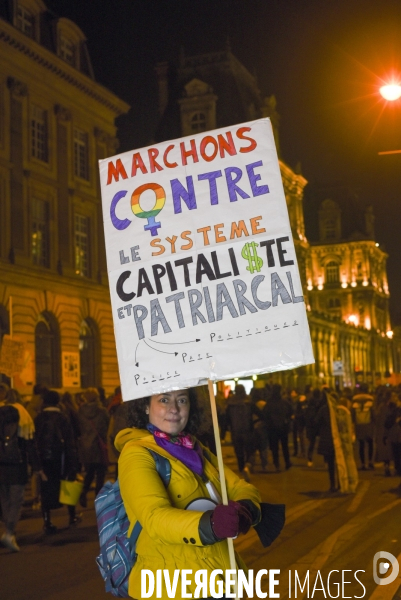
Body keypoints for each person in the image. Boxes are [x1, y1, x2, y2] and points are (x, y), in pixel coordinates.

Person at [115, 387, 262, 600]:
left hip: (219, 579)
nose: (174, 408)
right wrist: (210, 525)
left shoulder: (195, 448)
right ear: (146, 406)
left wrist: (246, 507)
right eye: (164, 400)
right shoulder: (136, 454)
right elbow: (155, 518)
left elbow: (240, 486)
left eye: (182, 400)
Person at [0, 389, 41, 551]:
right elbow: (30, 445)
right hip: (18, 466)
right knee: (16, 501)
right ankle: (9, 533)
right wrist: (37, 467)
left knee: (4, 500)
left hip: (1, 465)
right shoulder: (24, 417)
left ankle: (8, 530)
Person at [35, 390, 80, 533]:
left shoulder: (38, 418)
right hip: (62, 459)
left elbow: (35, 441)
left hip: (45, 459)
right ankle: (72, 516)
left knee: (46, 489)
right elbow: (70, 442)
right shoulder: (63, 418)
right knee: (67, 485)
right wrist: (73, 462)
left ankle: (47, 521)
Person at [78, 388, 110, 507]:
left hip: (86, 446)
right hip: (99, 444)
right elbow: (106, 426)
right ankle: (99, 498)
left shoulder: (80, 411)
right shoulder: (101, 411)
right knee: (100, 473)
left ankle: (84, 491)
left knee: (89, 472)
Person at [223, 384, 255, 481]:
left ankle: (242, 470)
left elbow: (226, 419)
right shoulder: (249, 402)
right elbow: (259, 414)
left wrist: (225, 430)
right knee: (250, 450)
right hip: (248, 431)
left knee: (239, 452)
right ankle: (247, 466)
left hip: (235, 431)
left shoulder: (230, 403)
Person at [263, 384, 293, 471]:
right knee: (285, 446)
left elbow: (265, 414)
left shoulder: (269, 402)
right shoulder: (284, 402)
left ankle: (276, 464)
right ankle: (287, 462)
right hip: (283, 427)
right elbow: (290, 411)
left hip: (272, 428)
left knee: (275, 447)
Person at [351, 384, 375, 470]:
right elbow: (373, 412)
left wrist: (353, 423)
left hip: (359, 424)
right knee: (370, 443)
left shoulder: (354, 399)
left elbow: (352, 413)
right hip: (368, 424)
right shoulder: (370, 399)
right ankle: (370, 462)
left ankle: (362, 464)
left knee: (361, 444)